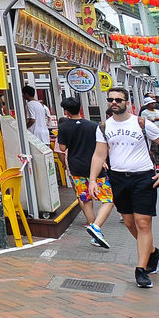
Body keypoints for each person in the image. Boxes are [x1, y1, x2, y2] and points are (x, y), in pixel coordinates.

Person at [87, 86, 159, 289]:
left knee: (143, 223)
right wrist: (92, 180)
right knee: (129, 223)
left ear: (127, 102)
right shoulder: (103, 126)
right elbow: (99, 155)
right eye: (111, 99)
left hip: (143, 178)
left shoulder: (141, 123)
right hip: (119, 179)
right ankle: (152, 252)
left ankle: (141, 269)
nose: (114, 103)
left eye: (118, 99)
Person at [56, 97, 114, 249]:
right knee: (108, 199)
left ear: (66, 111)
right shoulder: (93, 125)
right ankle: (96, 227)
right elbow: (101, 146)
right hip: (95, 166)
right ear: (79, 108)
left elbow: (62, 148)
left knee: (85, 198)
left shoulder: (63, 127)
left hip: (76, 167)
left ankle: (94, 227)